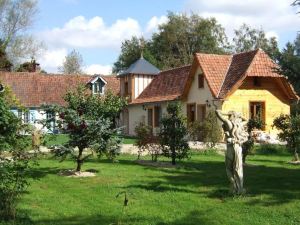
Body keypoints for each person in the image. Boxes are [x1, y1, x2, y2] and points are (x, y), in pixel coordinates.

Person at [215, 110, 248, 195]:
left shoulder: (228, 123)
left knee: (228, 168)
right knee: (238, 168)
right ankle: (239, 188)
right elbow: (247, 120)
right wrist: (238, 115)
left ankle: (233, 183)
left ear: (231, 116)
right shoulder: (240, 124)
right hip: (238, 148)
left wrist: (227, 113)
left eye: (230, 115)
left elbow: (217, 112)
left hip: (230, 148)